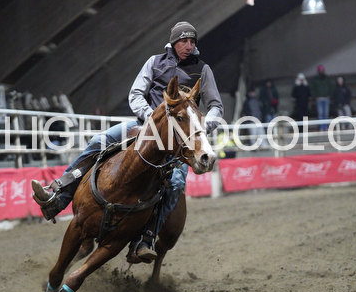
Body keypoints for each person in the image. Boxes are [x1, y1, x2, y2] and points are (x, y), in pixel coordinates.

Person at [31, 21, 223, 263]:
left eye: (192, 41)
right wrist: (151, 118)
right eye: (184, 41)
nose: (189, 45)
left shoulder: (203, 70)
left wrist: (200, 126)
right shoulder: (154, 62)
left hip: (179, 140)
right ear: (174, 42)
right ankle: (58, 195)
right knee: (98, 141)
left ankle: (146, 239)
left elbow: (216, 106)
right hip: (144, 126)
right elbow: (136, 93)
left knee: (175, 182)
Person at [309, 65, 333, 131]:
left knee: (326, 113)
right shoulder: (315, 79)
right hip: (319, 99)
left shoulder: (327, 79)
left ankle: (326, 126)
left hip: (326, 98)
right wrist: (315, 96)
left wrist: (329, 95)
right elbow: (312, 89)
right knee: (320, 113)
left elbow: (330, 87)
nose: (321, 71)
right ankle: (322, 127)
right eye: (320, 70)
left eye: (322, 70)